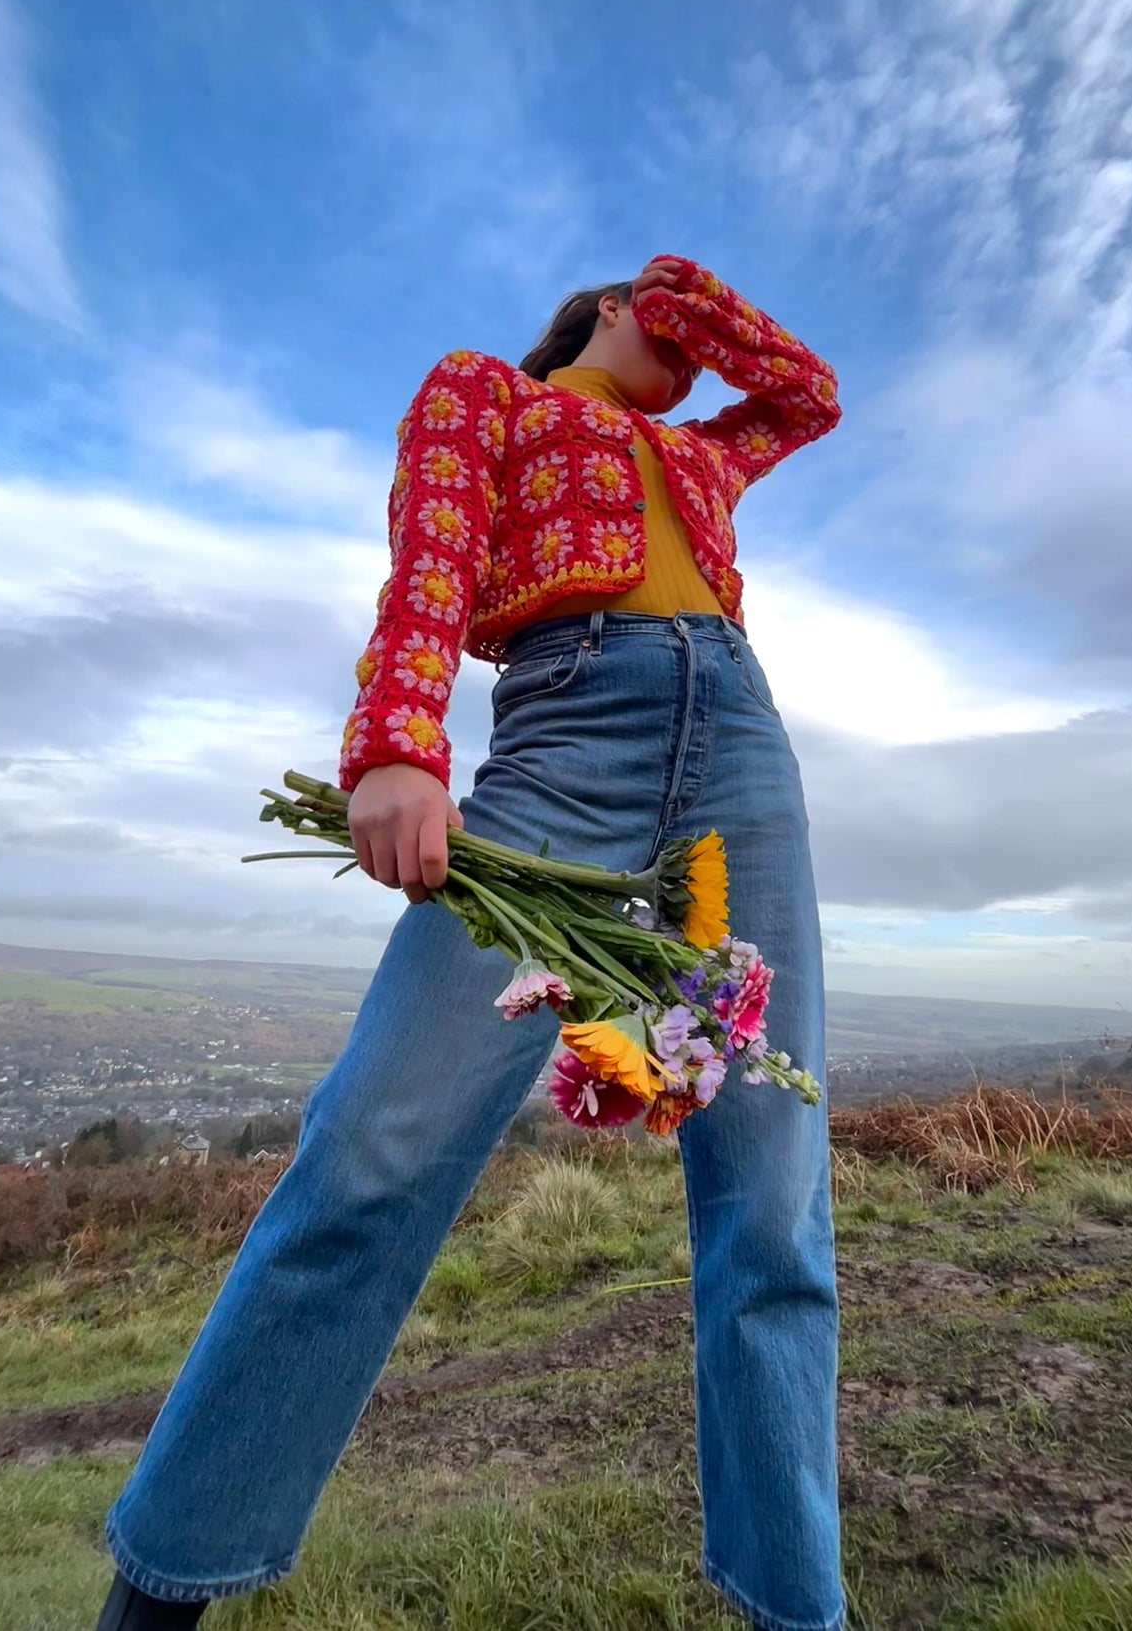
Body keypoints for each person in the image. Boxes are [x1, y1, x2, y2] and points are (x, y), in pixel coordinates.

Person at [95, 254, 846, 1631]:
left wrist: (687, 295)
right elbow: (430, 559)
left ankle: (796, 1609)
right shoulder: (482, 394)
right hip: (567, 731)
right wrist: (398, 745)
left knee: (776, 1198)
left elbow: (803, 394)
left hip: (741, 745)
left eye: (695, 348)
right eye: (663, 335)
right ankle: (159, 1598)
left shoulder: (699, 453)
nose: (689, 370)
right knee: (371, 1149)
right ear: (603, 313)